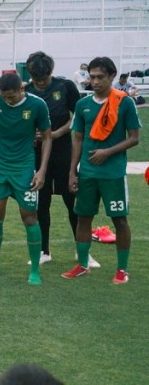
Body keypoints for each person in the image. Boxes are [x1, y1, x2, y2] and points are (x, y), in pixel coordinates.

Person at [63, 56, 141, 284]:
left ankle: (122, 269)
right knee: (83, 218)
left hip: (113, 173)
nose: (95, 82)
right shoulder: (82, 104)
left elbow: (134, 138)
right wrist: (72, 171)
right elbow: (77, 139)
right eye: (91, 77)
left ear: (112, 76)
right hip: (87, 173)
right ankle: (83, 265)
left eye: (100, 77)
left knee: (120, 220)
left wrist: (107, 152)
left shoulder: (124, 102)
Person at [0, 73, 52, 285]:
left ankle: (34, 270)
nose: (8, 100)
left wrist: (41, 170)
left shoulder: (37, 105)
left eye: (12, 96)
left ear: (22, 89)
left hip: (24, 168)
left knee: (30, 217)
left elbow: (46, 137)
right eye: (4, 97)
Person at [24, 51, 87, 267]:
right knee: (41, 203)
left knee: (72, 201)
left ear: (51, 72)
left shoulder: (65, 86)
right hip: (37, 156)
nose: (40, 83)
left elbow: (78, 116)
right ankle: (44, 251)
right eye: (36, 79)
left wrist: (56, 134)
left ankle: (82, 251)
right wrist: (31, 135)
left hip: (63, 152)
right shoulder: (25, 91)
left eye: (44, 78)